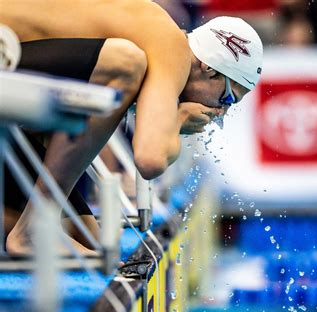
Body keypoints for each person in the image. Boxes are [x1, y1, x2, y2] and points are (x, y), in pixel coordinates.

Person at [0, 0, 263, 255]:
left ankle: (27, 227)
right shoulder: (172, 47)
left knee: (89, 239)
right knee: (125, 63)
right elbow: (150, 159)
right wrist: (179, 119)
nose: (221, 113)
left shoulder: (153, 36)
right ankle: (31, 229)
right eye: (227, 98)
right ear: (208, 68)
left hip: (14, 72)